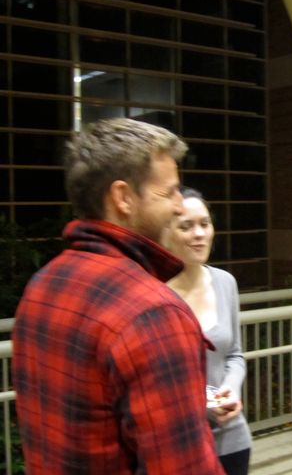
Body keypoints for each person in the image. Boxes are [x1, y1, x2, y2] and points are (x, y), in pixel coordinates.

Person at [11, 118, 225, 474]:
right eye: (169, 191)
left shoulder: (41, 285)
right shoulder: (153, 313)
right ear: (123, 197)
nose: (178, 205)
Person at [164, 186, 252, 475]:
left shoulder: (225, 282)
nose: (199, 234)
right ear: (167, 233)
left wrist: (231, 389)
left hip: (231, 439)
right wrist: (201, 406)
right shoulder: (154, 293)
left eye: (204, 224)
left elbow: (235, 356)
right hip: (180, 443)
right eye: (186, 226)